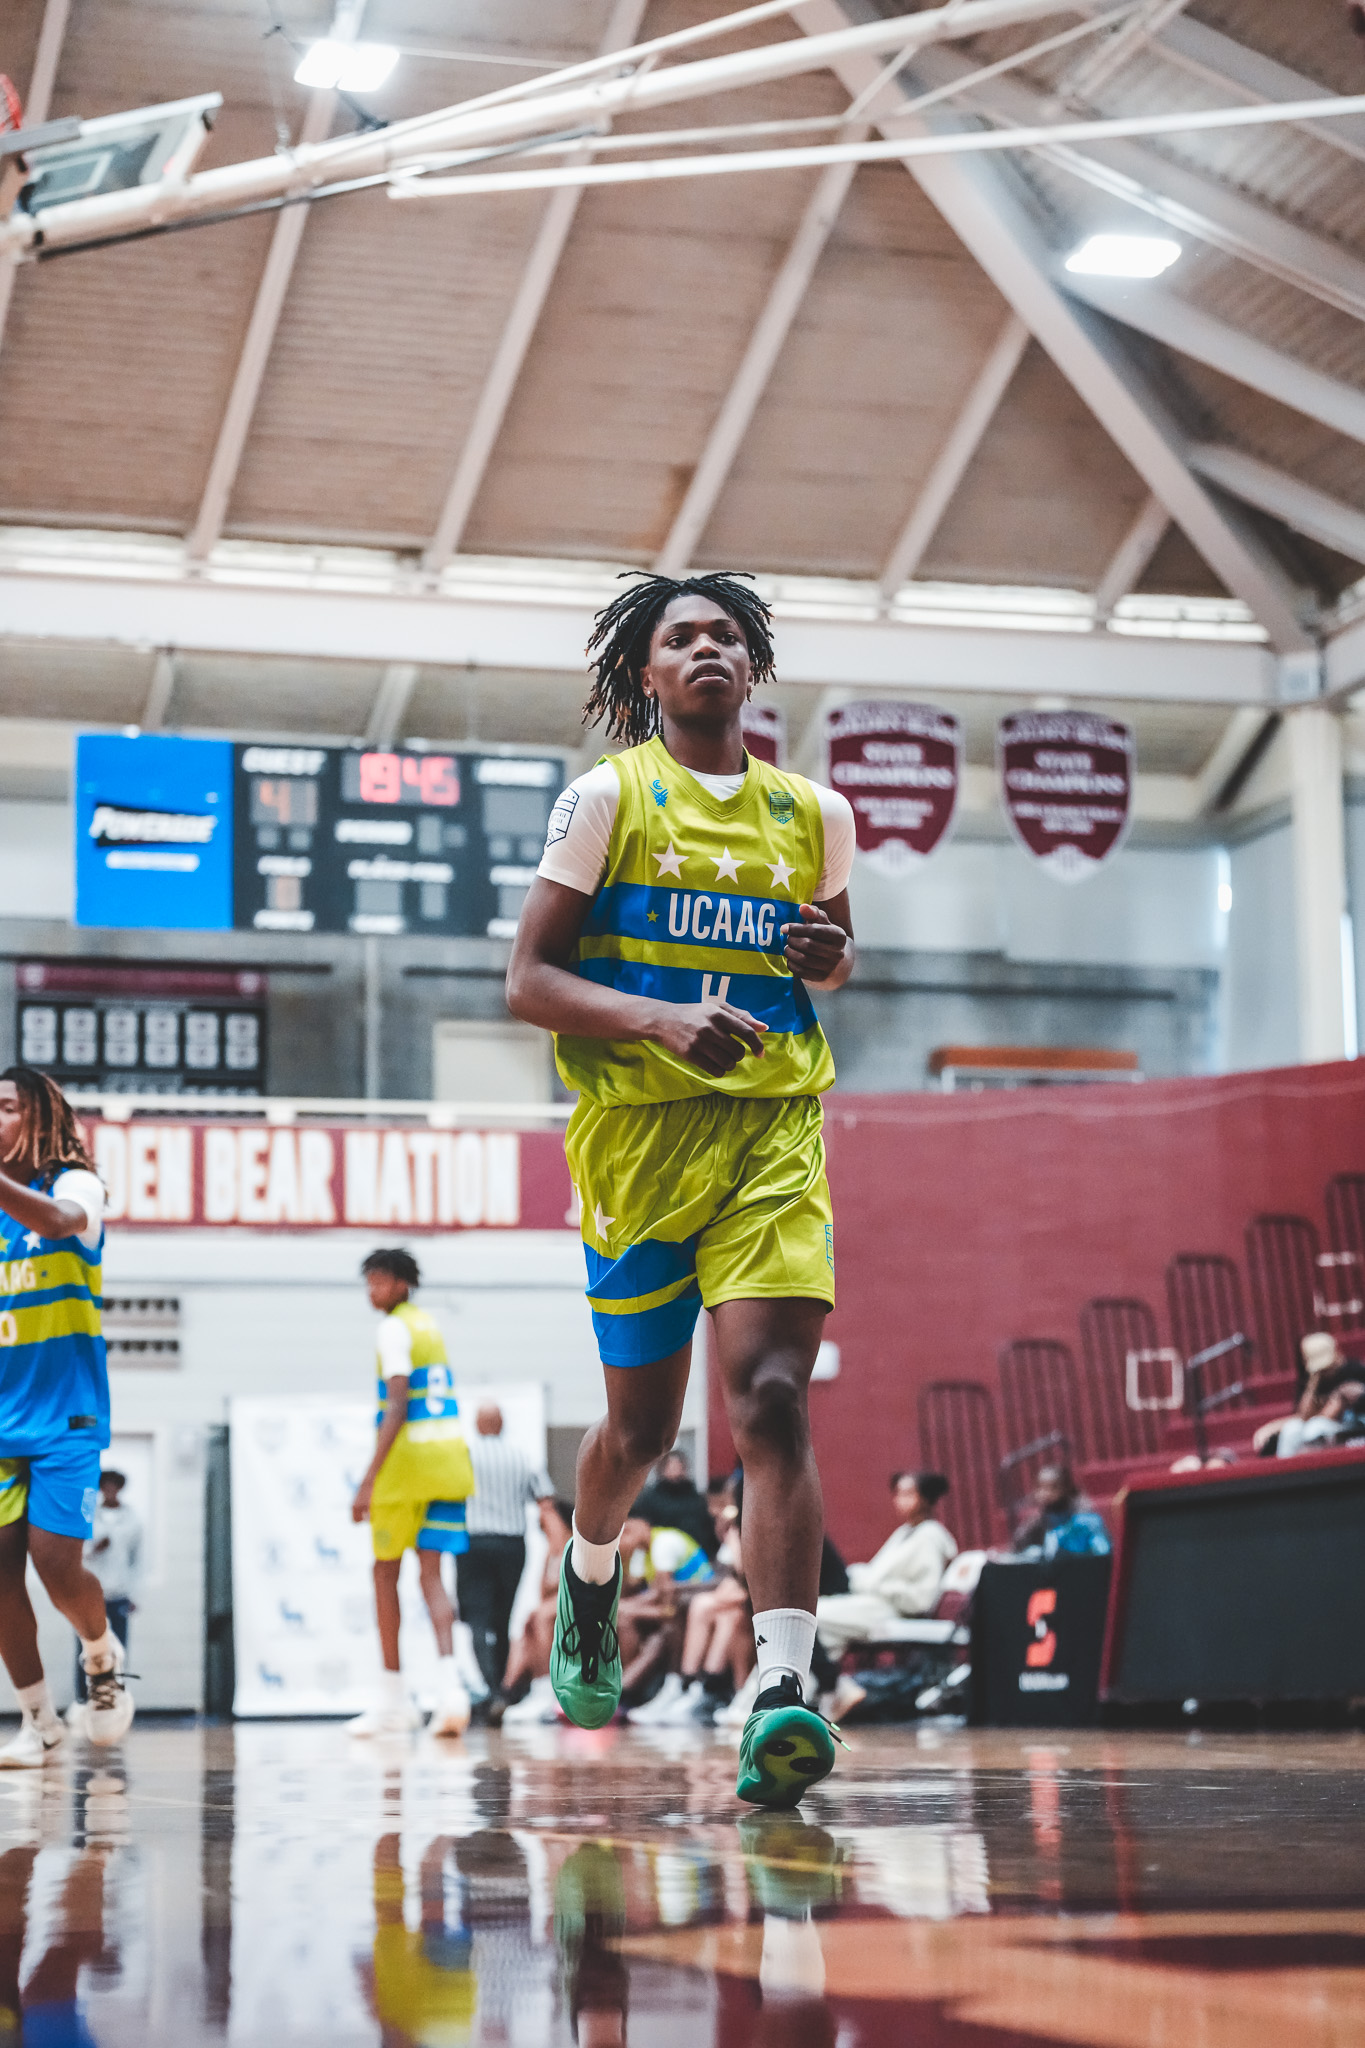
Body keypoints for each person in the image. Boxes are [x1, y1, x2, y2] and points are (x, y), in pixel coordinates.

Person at [506, 571, 856, 1810]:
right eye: (681, 636)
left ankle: (783, 1687)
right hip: (639, 1142)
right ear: (645, 673)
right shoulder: (607, 797)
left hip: (772, 1127)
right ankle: (591, 1569)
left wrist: (830, 953)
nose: (707, 648)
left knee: (771, 1400)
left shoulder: (814, 810)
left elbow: (833, 953)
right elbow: (528, 979)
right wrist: (659, 1018)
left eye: (726, 634)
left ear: (751, 667)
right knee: (642, 1434)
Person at [0, 1066, 134, 1765]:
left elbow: (55, 1223)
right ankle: (39, 1721)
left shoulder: (77, 1184)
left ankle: (100, 1653)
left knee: (56, 1566)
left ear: (41, 1119)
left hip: (65, 1418)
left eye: (7, 1107)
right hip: (2, 1421)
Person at [348, 1248, 475, 1740]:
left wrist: (368, 1479)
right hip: (448, 1464)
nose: (372, 1291)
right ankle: (451, 1690)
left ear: (402, 1283)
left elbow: (397, 1404)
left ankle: (392, 1701)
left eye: (378, 1281)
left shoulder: (393, 1328)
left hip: (407, 1471)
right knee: (432, 1577)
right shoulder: (428, 1326)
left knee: (384, 1574)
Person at [457, 1403, 552, 1704]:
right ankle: (501, 1686)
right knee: (502, 1618)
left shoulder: (464, 1456)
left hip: (473, 1543)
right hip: (512, 1545)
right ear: (502, 1425)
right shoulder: (523, 1458)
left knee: (477, 1618)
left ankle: (491, 1687)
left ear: (477, 1425)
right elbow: (546, 1501)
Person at [815, 1473, 957, 1656]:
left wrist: (877, 1586)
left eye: (908, 1494)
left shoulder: (930, 1536)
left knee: (814, 1616)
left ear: (925, 1498)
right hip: (873, 1602)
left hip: (892, 1611)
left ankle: (825, 1672)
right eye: (898, 1494)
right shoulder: (905, 1532)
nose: (899, 1500)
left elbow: (922, 1600)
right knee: (813, 1613)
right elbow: (877, 1573)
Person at [501, 1497, 575, 1724]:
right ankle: (529, 1688)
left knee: (541, 1617)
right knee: (531, 1621)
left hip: (582, 1604)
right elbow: (543, 1592)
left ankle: (546, 1690)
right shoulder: (548, 1552)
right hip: (557, 1608)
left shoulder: (576, 1548)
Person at [73, 1467, 141, 1706]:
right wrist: (95, 1550)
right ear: (101, 1488)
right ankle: (85, 1699)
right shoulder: (88, 1515)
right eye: (106, 1485)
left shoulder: (132, 1519)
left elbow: (137, 1560)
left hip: (119, 1594)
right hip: (91, 1594)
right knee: (87, 1647)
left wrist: (135, 1595)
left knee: (118, 1648)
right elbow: (76, 1553)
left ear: (120, 1488)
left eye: (115, 1485)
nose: (110, 1490)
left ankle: (114, 1698)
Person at [633, 1446, 719, 1559]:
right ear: (662, 1469)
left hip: (695, 1556)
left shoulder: (695, 1497)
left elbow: (706, 1527)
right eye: (671, 1466)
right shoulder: (650, 1499)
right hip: (663, 1557)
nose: (676, 1470)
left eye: (679, 1466)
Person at [1013, 1463, 1111, 1557]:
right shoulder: (1037, 1522)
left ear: (1067, 1488)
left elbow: (1103, 1551)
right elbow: (1018, 1547)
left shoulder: (1086, 1519)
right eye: (1040, 1488)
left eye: (1053, 1488)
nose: (1045, 1494)